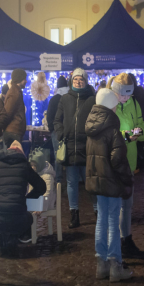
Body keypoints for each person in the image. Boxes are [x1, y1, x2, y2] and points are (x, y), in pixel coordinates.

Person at [85, 88, 134, 282]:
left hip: (97, 181)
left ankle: (101, 264)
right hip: (112, 182)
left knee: (101, 220)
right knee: (113, 222)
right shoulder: (113, 129)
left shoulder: (91, 128)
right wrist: (127, 179)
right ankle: (115, 264)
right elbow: (118, 160)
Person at [109, 73, 144, 260]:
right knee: (116, 206)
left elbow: (141, 123)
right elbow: (109, 133)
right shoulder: (109, 104)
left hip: (129, 161)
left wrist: (138, 132)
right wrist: (126, 136)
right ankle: (117, 244)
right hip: (115, 162)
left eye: (128, 95)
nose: (126, 98)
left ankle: (126, 240)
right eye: (123, 95)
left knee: (127, 204)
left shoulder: (133, 102)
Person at [54, 68, 96, 229]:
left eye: (82, 79)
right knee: (71, 182)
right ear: (72, 81)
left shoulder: (92, 99)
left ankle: (97, 211)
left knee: (90, 182)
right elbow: (57, 119)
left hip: (87, 146)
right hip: (70, 146)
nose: (79, 81)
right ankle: (74, 214)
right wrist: (61, 133)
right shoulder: (65, 99)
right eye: (76, 79)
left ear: (86, 81)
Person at [0, 139, 47, 257]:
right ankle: (14, 238)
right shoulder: (24, 166)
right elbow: (41, 187)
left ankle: (5, 238)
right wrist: (25, 199)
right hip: (18, 218)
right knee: (28, 217)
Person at [0, 68, 27, 143]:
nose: (26, 81)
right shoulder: (15, 93)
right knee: (13, 154)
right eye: (24, 79)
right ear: (19, 79)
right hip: (13, 132)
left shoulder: (15, 91)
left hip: (13, 131)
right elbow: (7, 113)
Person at [46, 75, 69, 155]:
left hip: (56, 131)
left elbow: (49, 116)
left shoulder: (53, 99)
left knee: (58, 156)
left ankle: (58, 168)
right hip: (68, 131)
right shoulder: (70, 98)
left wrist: (52, 129)